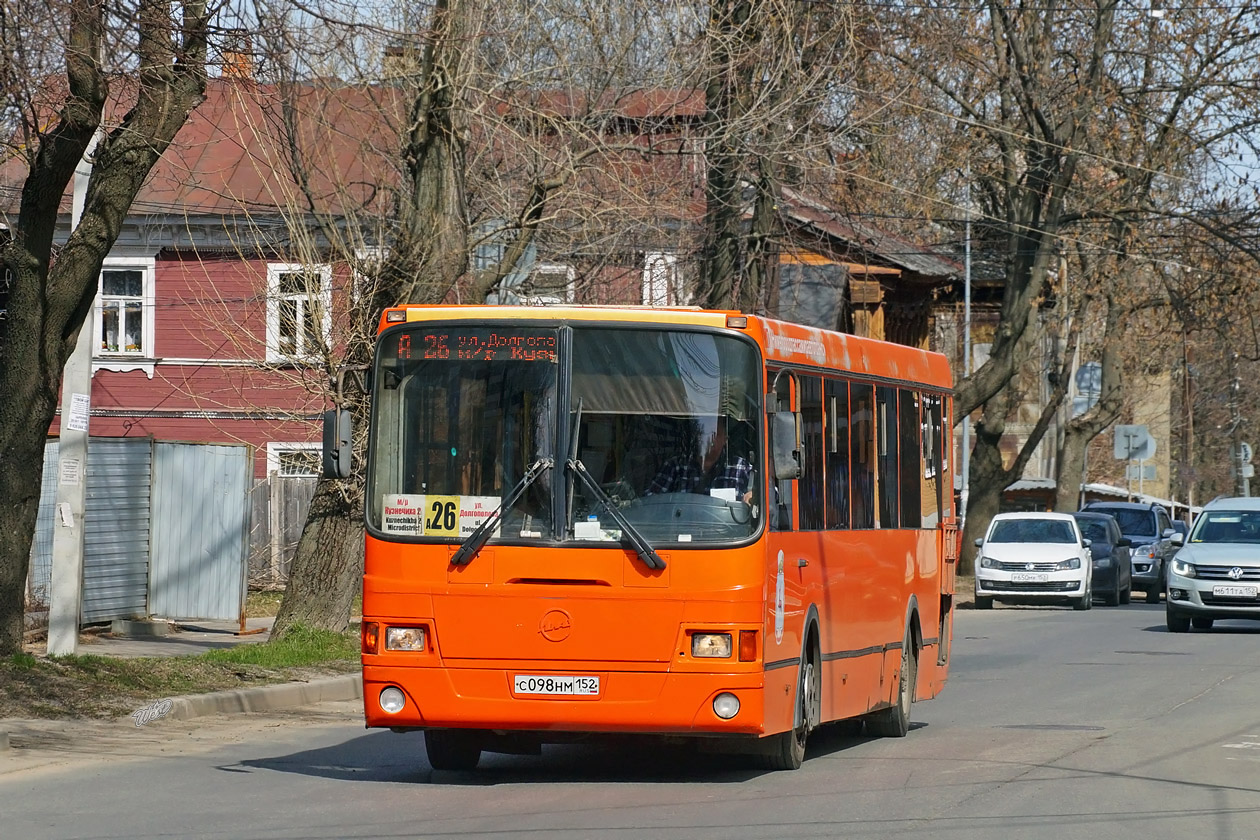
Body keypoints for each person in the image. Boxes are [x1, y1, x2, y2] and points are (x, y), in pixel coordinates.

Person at [646, 419, 754, 504]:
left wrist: (753, 496)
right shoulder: (676, 466)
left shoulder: (741, 468)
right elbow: (649, 502)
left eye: (714, 433)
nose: (708, 438)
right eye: (703, 432)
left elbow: (764, 497)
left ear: (725, 439)